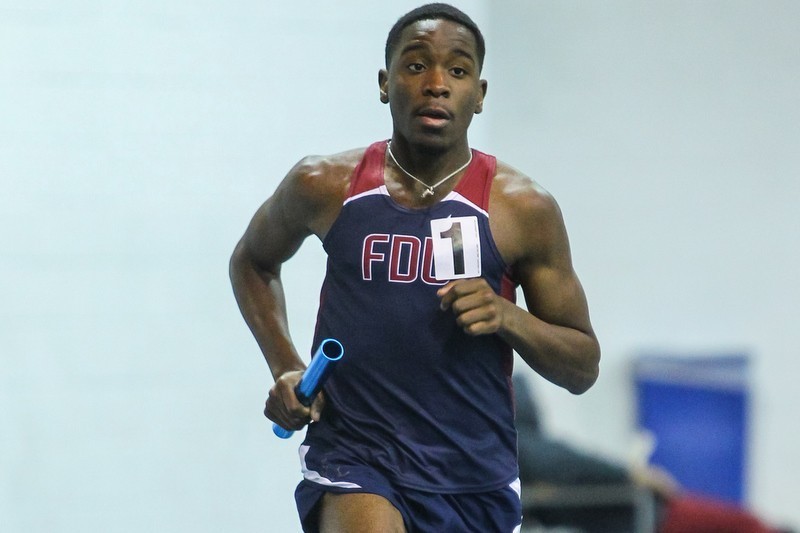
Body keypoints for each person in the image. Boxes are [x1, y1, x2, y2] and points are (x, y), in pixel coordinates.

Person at [229, 4, 600, 532]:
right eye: (416, 65)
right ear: (385, 83)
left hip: (474, 475)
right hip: (356, 456)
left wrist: (507, 316)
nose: (436, 84)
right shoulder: (324, 184)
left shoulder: (523, 209)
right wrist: (287, 367)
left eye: (458, 70)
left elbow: (582, 367)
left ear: (479, 94)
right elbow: (253, 261)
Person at [513, 374, 788, 533]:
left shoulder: (520, 449)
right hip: (652, 514)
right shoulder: (525, 446)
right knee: (745, 523)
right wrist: (630, 474)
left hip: (647, 512)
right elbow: (566, 463)